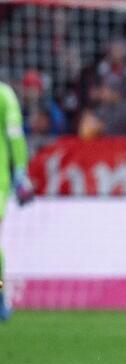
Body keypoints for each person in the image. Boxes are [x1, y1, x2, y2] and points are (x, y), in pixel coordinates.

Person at [0, 81, 34, 322]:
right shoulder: (5, 95)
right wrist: (21, 171)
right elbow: (15, 135)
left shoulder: (4, 96)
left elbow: (14, 136)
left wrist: (20, 171)